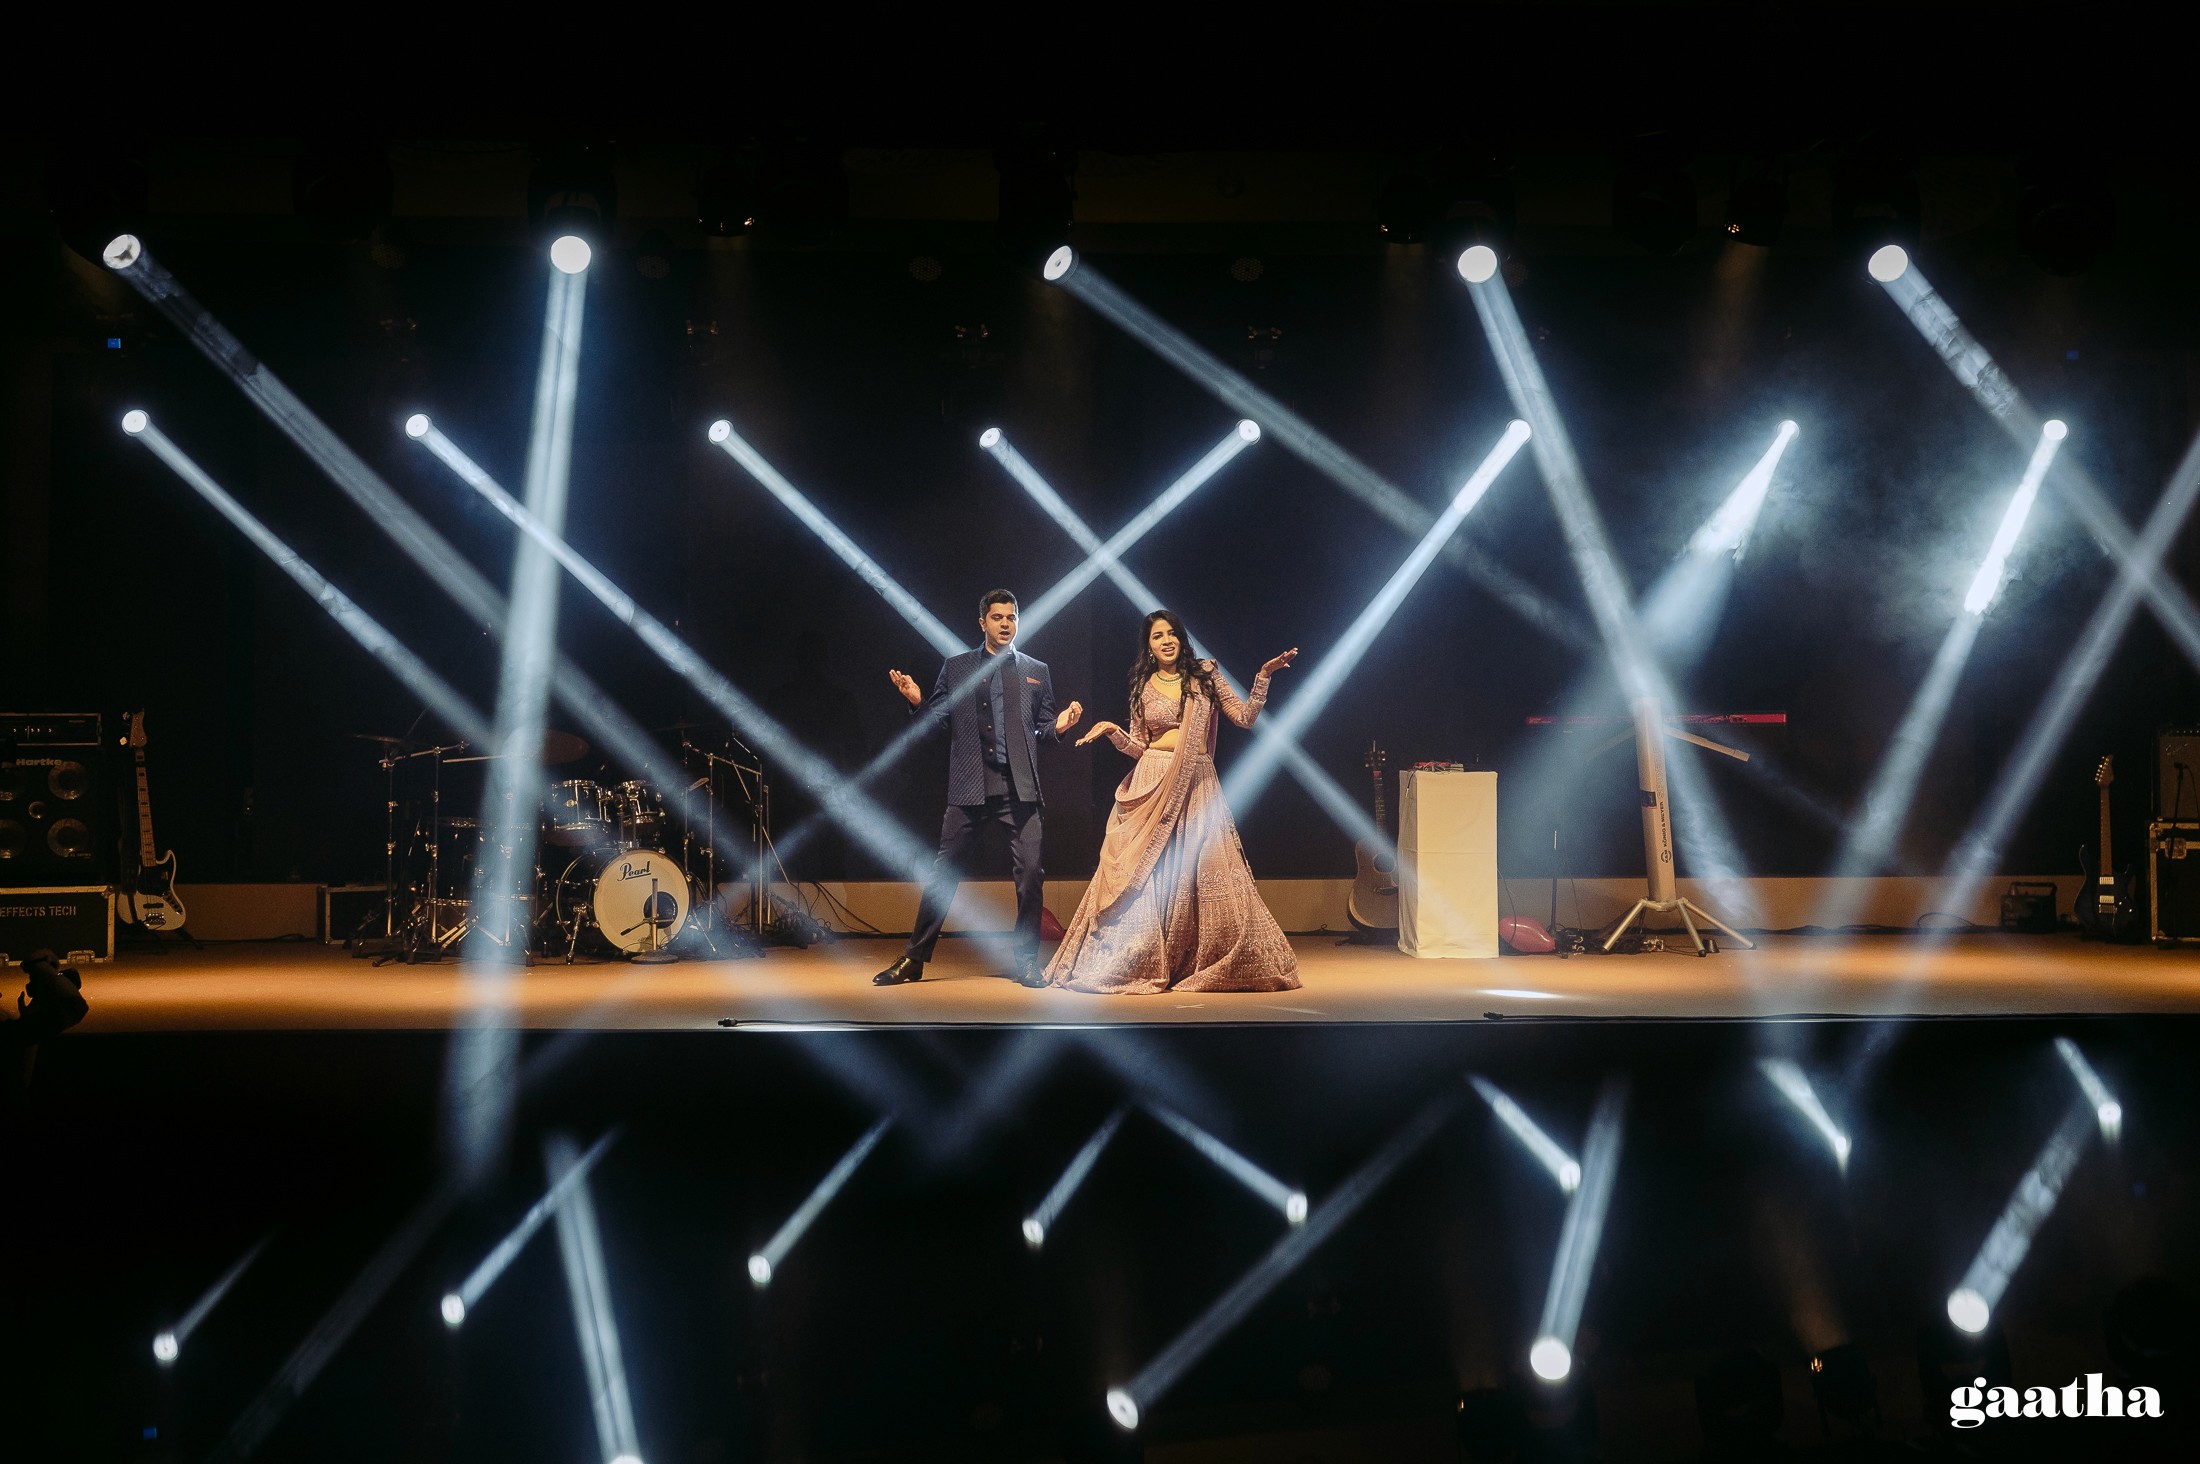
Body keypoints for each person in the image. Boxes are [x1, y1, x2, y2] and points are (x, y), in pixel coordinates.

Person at [1047, 610, 1300, 994]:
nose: (1165, 641)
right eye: (1156, 636)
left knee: (1205, 869)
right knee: (1149, 875)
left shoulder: (1204, 675)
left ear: (1181, 639)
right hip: (1152, 780)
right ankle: (1145, 958)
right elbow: (1139, 747)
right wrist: (1113, 732)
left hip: (1197, 782)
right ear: (1148, 647)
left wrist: (1263, 677)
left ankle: (1200, 959)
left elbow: (1245, 718)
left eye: (1171, 634)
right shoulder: (1142, 686)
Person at [873, 590, 1082, 988]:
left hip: (1020, 789)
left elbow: (1042, 727)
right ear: (982, 622)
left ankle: (1025, 962)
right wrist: (918, 703)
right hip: (970, 786)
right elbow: (937, 723)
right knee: (943, 874)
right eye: (998, 617)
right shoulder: (956, 668)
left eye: (1012, 616)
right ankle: (914, 959)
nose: (1006, 623)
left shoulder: (1036, 670)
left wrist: (1060, 726)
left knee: (1031, 874)